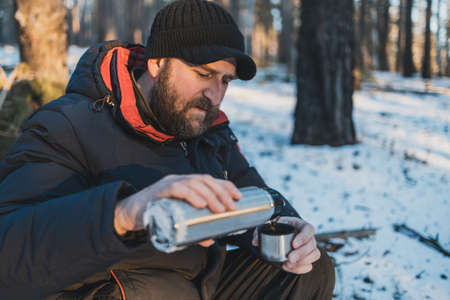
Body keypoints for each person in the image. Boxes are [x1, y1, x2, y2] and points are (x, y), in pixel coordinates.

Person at [0, 0, 335, 299]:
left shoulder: (207, 130)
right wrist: (126, 213)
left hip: (198, 284)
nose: (215, 95)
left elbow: (254, 193)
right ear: (158, 64)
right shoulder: (67, 125)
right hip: (117, 289)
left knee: (308, 271)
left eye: (225, 80)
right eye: (204, 74)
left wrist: (287, 228)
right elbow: (7, 254)